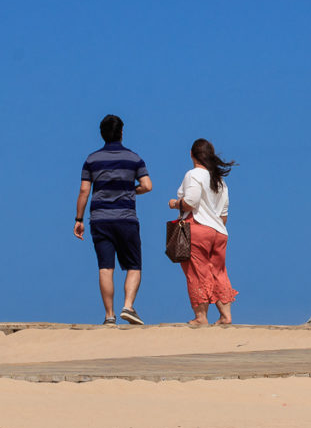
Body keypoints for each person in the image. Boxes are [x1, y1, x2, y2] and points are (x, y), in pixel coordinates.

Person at [74, 114, 153, 325]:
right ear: (121, 133)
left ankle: (109, 316)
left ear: (102, 134)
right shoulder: (134, 158)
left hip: (99, 219)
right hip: (126, 218)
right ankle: (128, 306)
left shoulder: (91, 160)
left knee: (105, 267)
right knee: (133, 265)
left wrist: (79, 218)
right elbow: (147, 185)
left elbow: (84, 190)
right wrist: (130, 191)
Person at [168, 138, 239, 325]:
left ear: (191, 155)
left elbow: (190, 202)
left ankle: (201, 317)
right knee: (219, 271)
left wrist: (175, 204)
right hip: (219, 231)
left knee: (197, 272)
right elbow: (224, 214)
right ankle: (225, 316)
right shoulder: (220, 181)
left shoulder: (194, 175)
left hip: (198, 228)